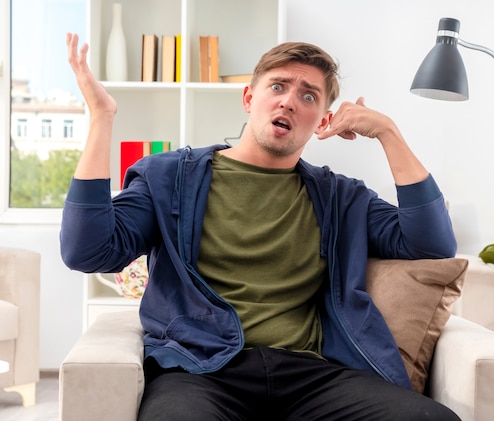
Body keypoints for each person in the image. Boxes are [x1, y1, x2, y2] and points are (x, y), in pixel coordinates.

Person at [61, 32, 460, 420]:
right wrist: (102, 118)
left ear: (324, 120)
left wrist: (388, 132)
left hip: (311, 374)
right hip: (202, 370)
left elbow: (432, 242)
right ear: (249, 98)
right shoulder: (169, 179)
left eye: (308, 96)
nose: (289, 101)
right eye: (278, 86)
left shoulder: (340, 197)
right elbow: (88, 250)